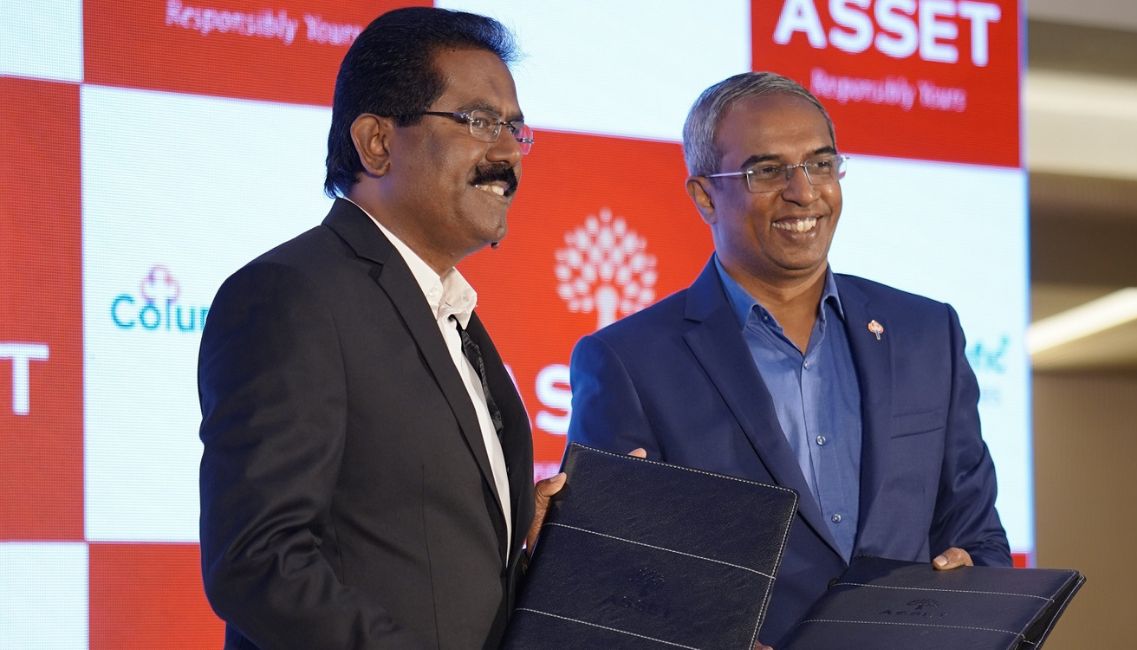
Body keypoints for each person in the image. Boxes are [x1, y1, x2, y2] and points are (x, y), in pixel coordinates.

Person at [567, 71, 1012, 645]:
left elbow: (978, 536)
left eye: (822, 164)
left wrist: (972, 582)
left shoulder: (928, 333)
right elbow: (608, 577)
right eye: (767, 171)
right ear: (705, 195)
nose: (804, 192)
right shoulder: (628, 362)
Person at [198, 8, 564, 649]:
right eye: (479, 122)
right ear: (377, 142)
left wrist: (528, 537)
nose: (508, 151)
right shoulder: (292, 293)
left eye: (515, 128)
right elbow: (257, 562)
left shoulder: (449, 309)